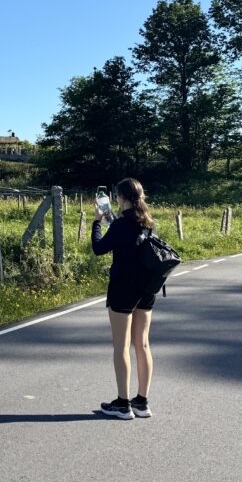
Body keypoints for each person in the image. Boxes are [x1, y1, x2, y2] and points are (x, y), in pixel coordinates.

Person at [91, 177, 156, 420]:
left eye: (117, 196)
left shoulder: (119, 226)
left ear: (122, 198)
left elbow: (99, 248)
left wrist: (97, 222)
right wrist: (112, 222)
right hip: (146, 290)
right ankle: (142, 402)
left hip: (122, 289)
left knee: (121, 347)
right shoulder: (149, 223)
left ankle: (122, 404)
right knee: (143, 344)